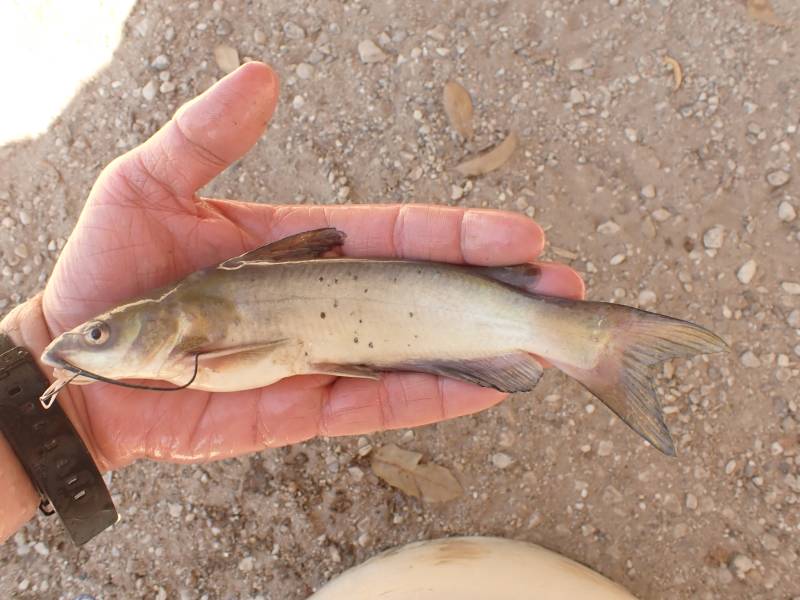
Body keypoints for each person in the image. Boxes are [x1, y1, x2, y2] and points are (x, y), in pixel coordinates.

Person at [0, 62, 583, 542]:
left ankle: (582, 339)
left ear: (165, 320)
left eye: (100, 332)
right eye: (95, 335)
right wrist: (56, 415)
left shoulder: (186, 334)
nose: (78, 342)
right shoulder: (168, 343)